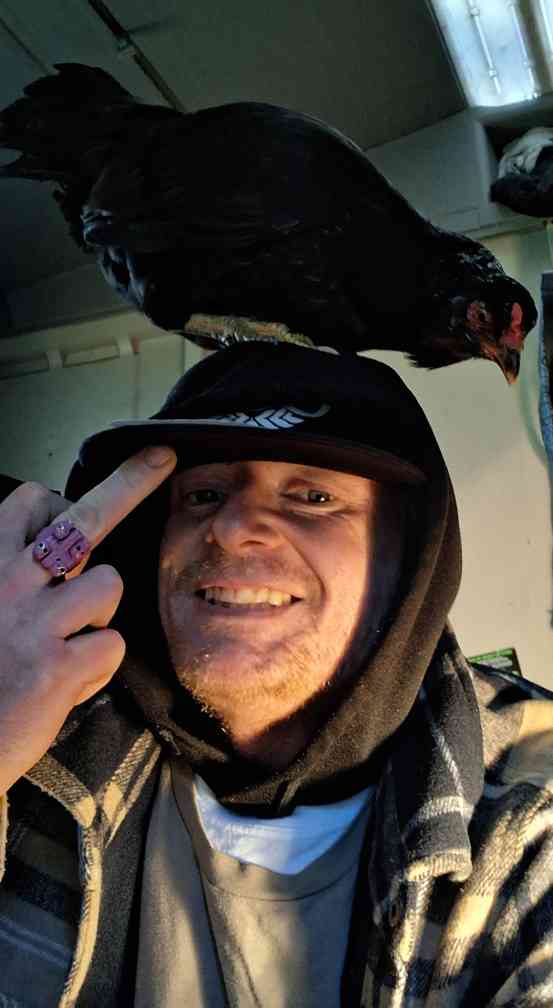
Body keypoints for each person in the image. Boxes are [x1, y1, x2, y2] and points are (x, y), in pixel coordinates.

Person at [1, 340, 553, 1007]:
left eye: (313, 497)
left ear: (409, 562)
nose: (232, 528)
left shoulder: (533, 810)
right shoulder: (34, 736)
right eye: (203, 494)